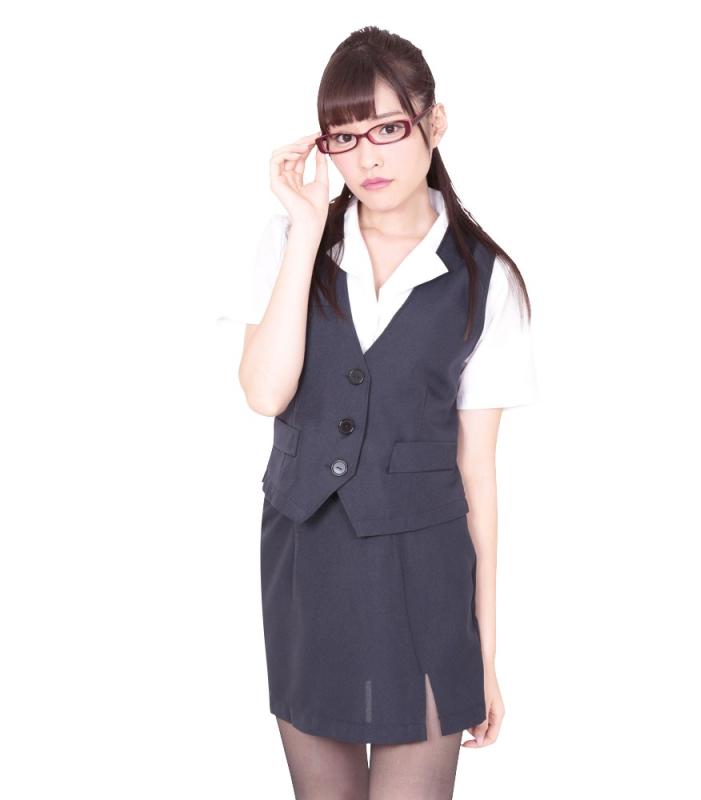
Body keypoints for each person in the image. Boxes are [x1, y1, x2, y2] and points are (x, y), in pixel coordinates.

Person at [221, 25, 538, 800]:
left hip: (426, 579)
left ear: (434, 123)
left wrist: (486, 654)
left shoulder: (486, 278)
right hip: (308, 564)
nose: (367, 158)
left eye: (388, 129)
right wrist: (305, 230)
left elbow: (478, 476)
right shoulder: (291, 242)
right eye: (344, 136)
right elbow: (264, 393)